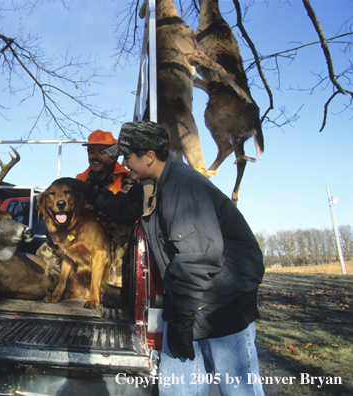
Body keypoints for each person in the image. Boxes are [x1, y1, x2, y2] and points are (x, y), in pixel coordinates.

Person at [62, 121, 265, 395]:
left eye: (128, 156)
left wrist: (181, 318)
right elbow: (120, 206)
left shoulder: (183, 188)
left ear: (149, 156)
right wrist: (86, 190)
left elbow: (198, 257)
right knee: (178, 389)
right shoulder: (150, 184)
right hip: (188, 303)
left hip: (223, 302)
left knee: (238, 388)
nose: (124, 162)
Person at [36, 130, 135, 300]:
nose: (95, 156)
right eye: (91, 151)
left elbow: (125, 210)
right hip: (80, 235)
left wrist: (95, 208)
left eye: (101, 151)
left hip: (111, 236)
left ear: (113, 156)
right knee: (44, 249)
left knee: (123, 230)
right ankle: (55, 286)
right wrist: (53, 231)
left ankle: (114, 288)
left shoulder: (126, 179)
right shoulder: (78, 181)